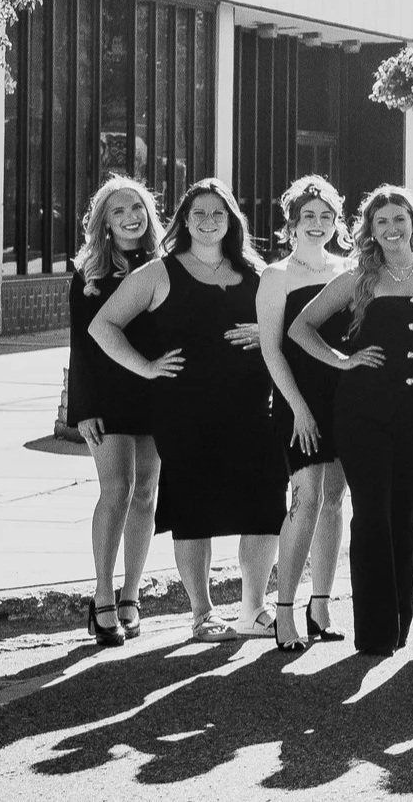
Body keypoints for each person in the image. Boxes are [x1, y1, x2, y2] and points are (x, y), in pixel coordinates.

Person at [86, 178, 282, 643]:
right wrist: (146, 366)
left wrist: (266, 333)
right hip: (185, 413)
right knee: (195, 509)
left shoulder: (257, 273)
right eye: (199, 213)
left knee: (263, 508)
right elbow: (103, 325)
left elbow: (292, 328)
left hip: (253, 411)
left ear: (232, 220)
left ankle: (254, 608)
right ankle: (202, 614)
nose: (209, 221)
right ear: (184, 220)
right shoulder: (159, 272)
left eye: (218, 213)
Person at [284, 186, 413, 656]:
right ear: (370, 231)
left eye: (400, 219)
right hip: (364, 413)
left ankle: (400, 624)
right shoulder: (358, 279)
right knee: (373, 516)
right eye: (382, 222)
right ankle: (375, 634)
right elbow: (300, 327)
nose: (393, 229)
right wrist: (341, 360)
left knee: (407, 517)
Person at [255, 176, 353, 651]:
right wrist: (297, 409)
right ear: (292, 224)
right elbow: (272, 350)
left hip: (344, 397)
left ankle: (321, 604)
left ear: (338, 223)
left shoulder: (350, 270)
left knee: (335, 499)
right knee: (307, 496)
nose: (318, 224)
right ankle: (285, 610)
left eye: (326, 216)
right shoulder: (277, 276)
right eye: (308, 216)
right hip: (299, 402)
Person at [67, 176, 163, 647]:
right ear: (104, 221)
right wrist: (83, 408)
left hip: (153, 393)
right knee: (116, 489)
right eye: (120, 210)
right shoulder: (89, 274)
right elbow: (81, 348)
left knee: (146, 492)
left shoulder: (163, 267)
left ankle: (131, 595)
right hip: (106, 397)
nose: (131, 217)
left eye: (138, 209)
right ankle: (102, 594)